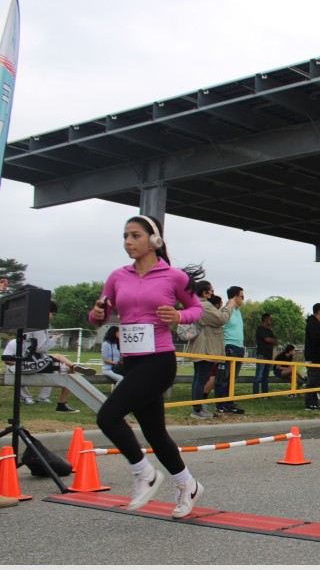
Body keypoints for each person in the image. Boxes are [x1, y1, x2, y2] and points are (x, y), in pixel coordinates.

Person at [88, 214, 206, 518]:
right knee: (155, 433)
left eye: (135, 235)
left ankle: (144, 473)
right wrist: (97, 314)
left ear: (154, 240)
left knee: (108, 417)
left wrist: (179, 316)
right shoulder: (117, 277)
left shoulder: (174, 277)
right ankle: (188, 484)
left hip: (159, 360)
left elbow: (196, 309)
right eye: (125, 236)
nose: (128, 242)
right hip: (131, 361)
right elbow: (100, 316)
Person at [3, 301, 94, 412]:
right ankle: (62, 403)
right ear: (46, 312)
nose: (52, 317)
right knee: (69, 371)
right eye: (53, 314)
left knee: (58, 357)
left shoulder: (27, 322)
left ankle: (73, 366)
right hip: (34, 364)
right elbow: (41, 348)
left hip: (28, 362)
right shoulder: (40, 325)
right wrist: (53, 339)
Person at [185, 281, 235, 419]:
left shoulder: (195, 304)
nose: (213, 293)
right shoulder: (204, 305)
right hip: (205, 348)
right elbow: (221, 319)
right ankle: (197, 410)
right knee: (202, 378)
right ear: (204, 292)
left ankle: (198, 407)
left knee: (199, 378)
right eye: (211, 291)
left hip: (201, 346)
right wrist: (229, 307)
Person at [214, 285, 246, 414]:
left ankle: (229, 403)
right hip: (228, 347)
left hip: (239, 347)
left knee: (232, 379)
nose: (243, 299)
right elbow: (219, 325)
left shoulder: (238, 311)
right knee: (224, 377)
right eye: (242, 296)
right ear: (235, 297)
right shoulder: (226, 310)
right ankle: (221, 404)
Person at [303, 303, 320, 411]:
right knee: (313, 380)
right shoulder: (313, 323)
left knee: (317, 380)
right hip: (314, 356)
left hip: (319, 356)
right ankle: (310, 403)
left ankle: (314, 402)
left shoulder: (317, 323)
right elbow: (316, 339)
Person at [253, 313, 277, 395]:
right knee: (258, 376)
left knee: (265, 377)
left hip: (269, 356)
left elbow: (275, 341)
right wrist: (270, 340)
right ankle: (256, 394)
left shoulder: (269, 331)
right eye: (270, 319)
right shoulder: (260, 329)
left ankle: (265, 394)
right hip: (261, 355)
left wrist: (271, 340)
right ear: (265, 319)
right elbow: (267, 339)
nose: (271, 321)